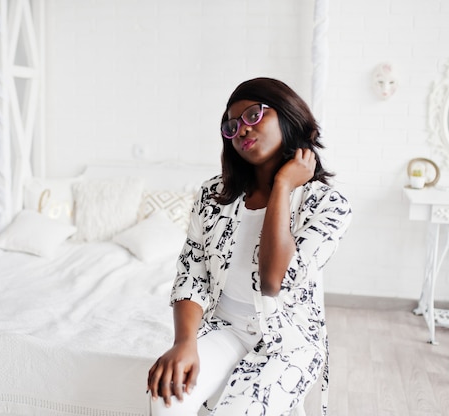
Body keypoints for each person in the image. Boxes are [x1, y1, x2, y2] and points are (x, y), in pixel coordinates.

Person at [147, 77, 352, 416]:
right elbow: (192, 273)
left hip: (287, 343)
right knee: (166, 398)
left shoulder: (328, 206)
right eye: (232, 125)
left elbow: (274, 281)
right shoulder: (214, 195)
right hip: (224, 328)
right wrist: (184, 343)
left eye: (254, 115)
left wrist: (283, 186)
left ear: (288, 114)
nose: (241, 129)